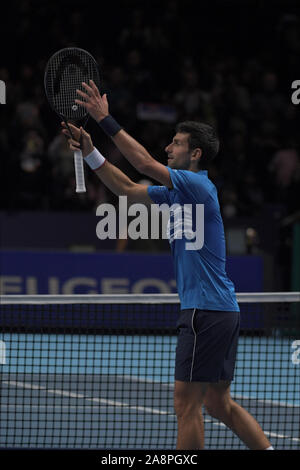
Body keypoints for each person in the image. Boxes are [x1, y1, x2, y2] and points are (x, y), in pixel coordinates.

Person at [62, 80, 273, 450]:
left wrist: (105, 119)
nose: (167, 147)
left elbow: (143, 162)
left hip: (203, 312)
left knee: (185, 404)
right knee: (217, 404)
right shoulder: (178, 193)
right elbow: (127, 187)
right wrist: (92, 152)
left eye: (174, 143)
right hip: (221, 311)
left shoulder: (197, 186)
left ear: (194, 154)